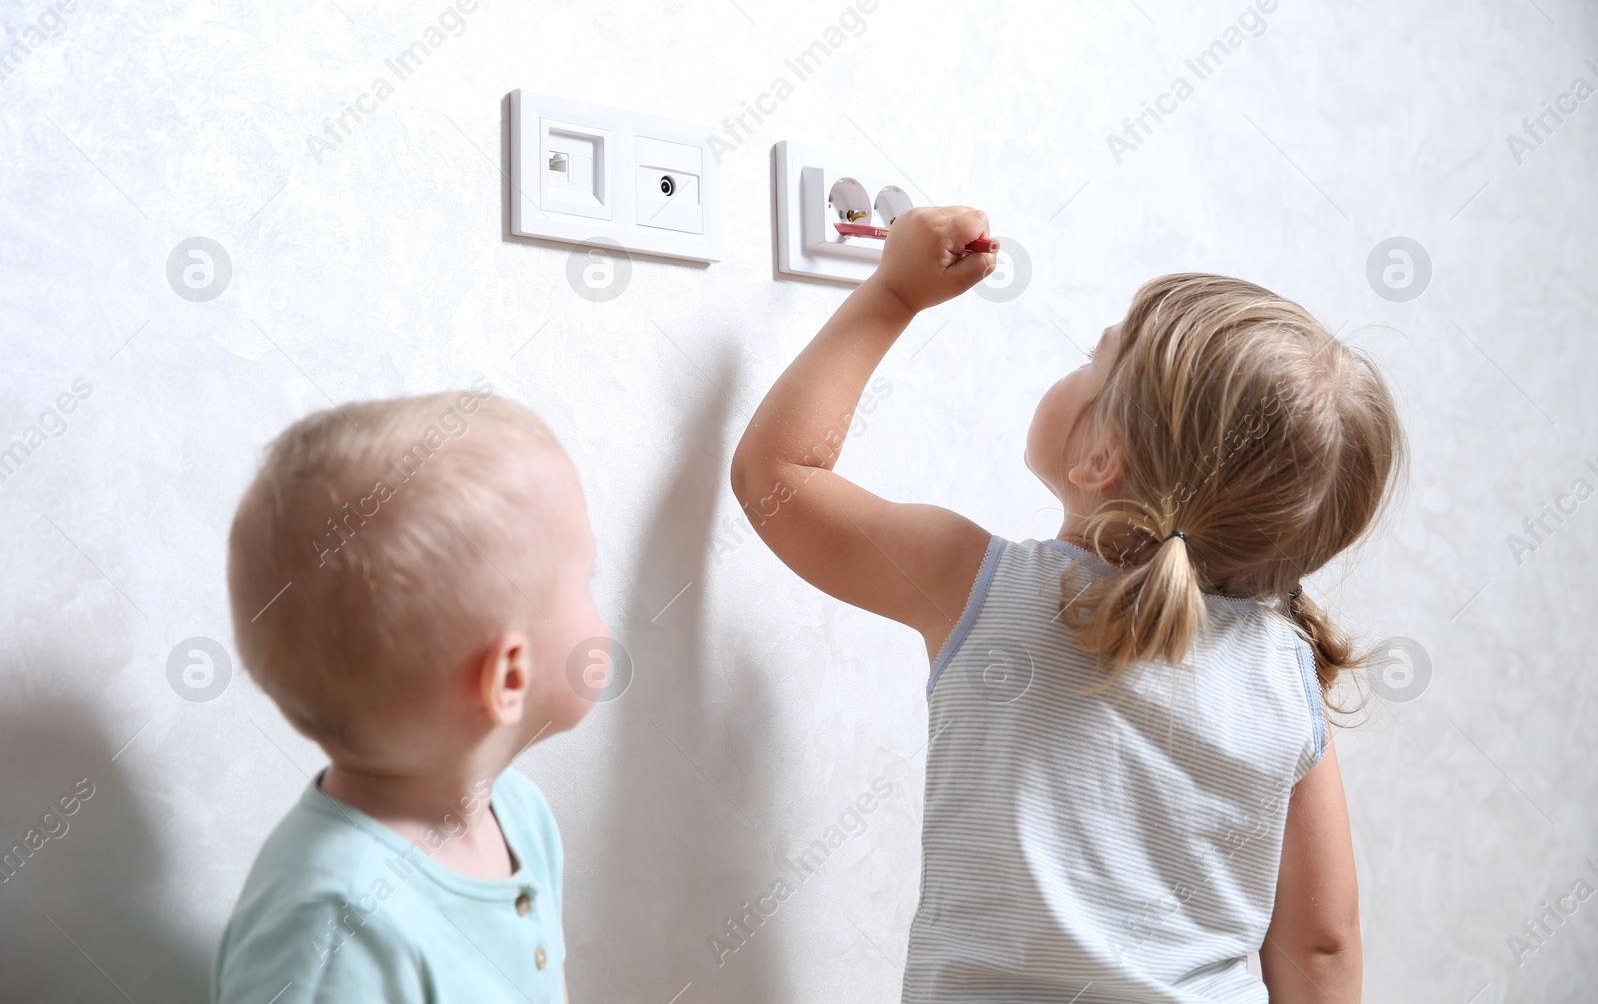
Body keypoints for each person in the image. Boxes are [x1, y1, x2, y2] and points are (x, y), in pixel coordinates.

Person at [731, 206, 1404, 1003]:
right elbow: (1322, 944)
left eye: (1095, 360)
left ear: (1097, 458)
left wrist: (894, 294)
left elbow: (776, 478)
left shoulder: (977, 586)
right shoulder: (1283, 668)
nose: (1078, 364)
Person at [215, 386, 607, 1003]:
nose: (597, 606)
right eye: (587, 581)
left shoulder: (519, 817)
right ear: (507, 679)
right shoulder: (338, 930)